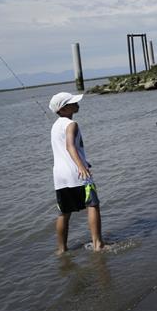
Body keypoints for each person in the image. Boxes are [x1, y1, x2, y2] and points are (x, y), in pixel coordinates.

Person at [49, 92, 104, 254]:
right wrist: (81, 166)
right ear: (63, 109)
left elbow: (65, 149)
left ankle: (61, 249)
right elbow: (70, 146)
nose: (77, 104)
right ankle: (98, 245)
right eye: (72, 103)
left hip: (60, 176)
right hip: (76, 173)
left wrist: (83, 161)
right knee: (93, 205)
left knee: (64, 212)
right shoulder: (72, 124)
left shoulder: (55, 126)